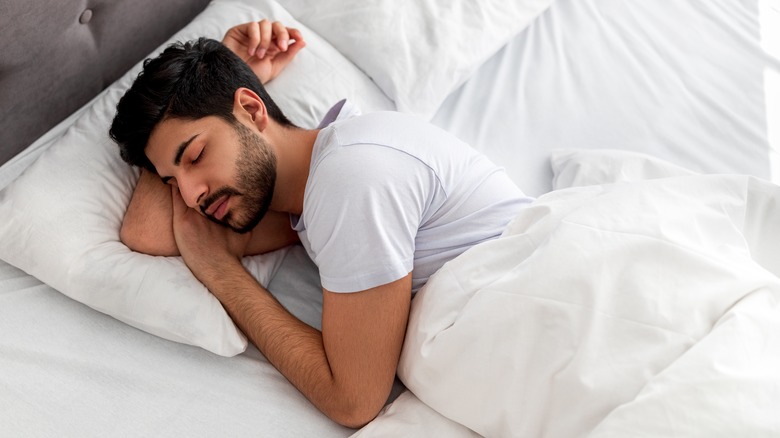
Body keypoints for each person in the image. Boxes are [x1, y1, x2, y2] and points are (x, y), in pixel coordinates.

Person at [109, 20, 534, 428]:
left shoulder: (351, 175)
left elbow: (354, 400)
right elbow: (147, 234)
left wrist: (221, 273)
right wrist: (212, 82)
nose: (188, 196)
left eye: (196, 155)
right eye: (171, 181)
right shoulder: (307, 202)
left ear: (252, 110)